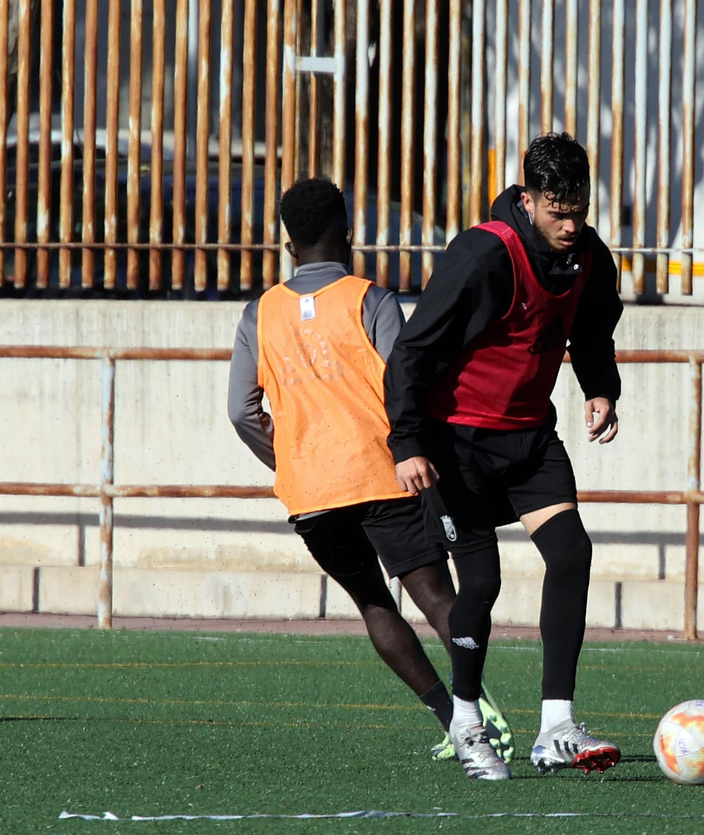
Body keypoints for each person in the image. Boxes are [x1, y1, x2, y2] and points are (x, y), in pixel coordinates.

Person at [228, 177, 510, 766]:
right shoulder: (370, 299)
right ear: (348, 233)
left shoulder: (260, 313)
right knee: (433, 592)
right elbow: (410, 381)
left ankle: (447, 718)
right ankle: (476, 717)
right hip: (384, 475)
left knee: (373, 604)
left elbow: (241, 409)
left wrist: (289, 460)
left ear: (288, 243)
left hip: (311, 493)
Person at [384, 133, 624, 780]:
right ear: (527, 199)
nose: (571, 225)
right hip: (454, 443)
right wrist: (406, 443)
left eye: (579, 210)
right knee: (482, 582)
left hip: (528, 439)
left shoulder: (588, 255)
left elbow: (592, 330)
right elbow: (411, 351)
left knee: (572, 552)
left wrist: (601, 387)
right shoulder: (484, 253)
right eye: (557, 212)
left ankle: (556, 727)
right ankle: (465, 721)